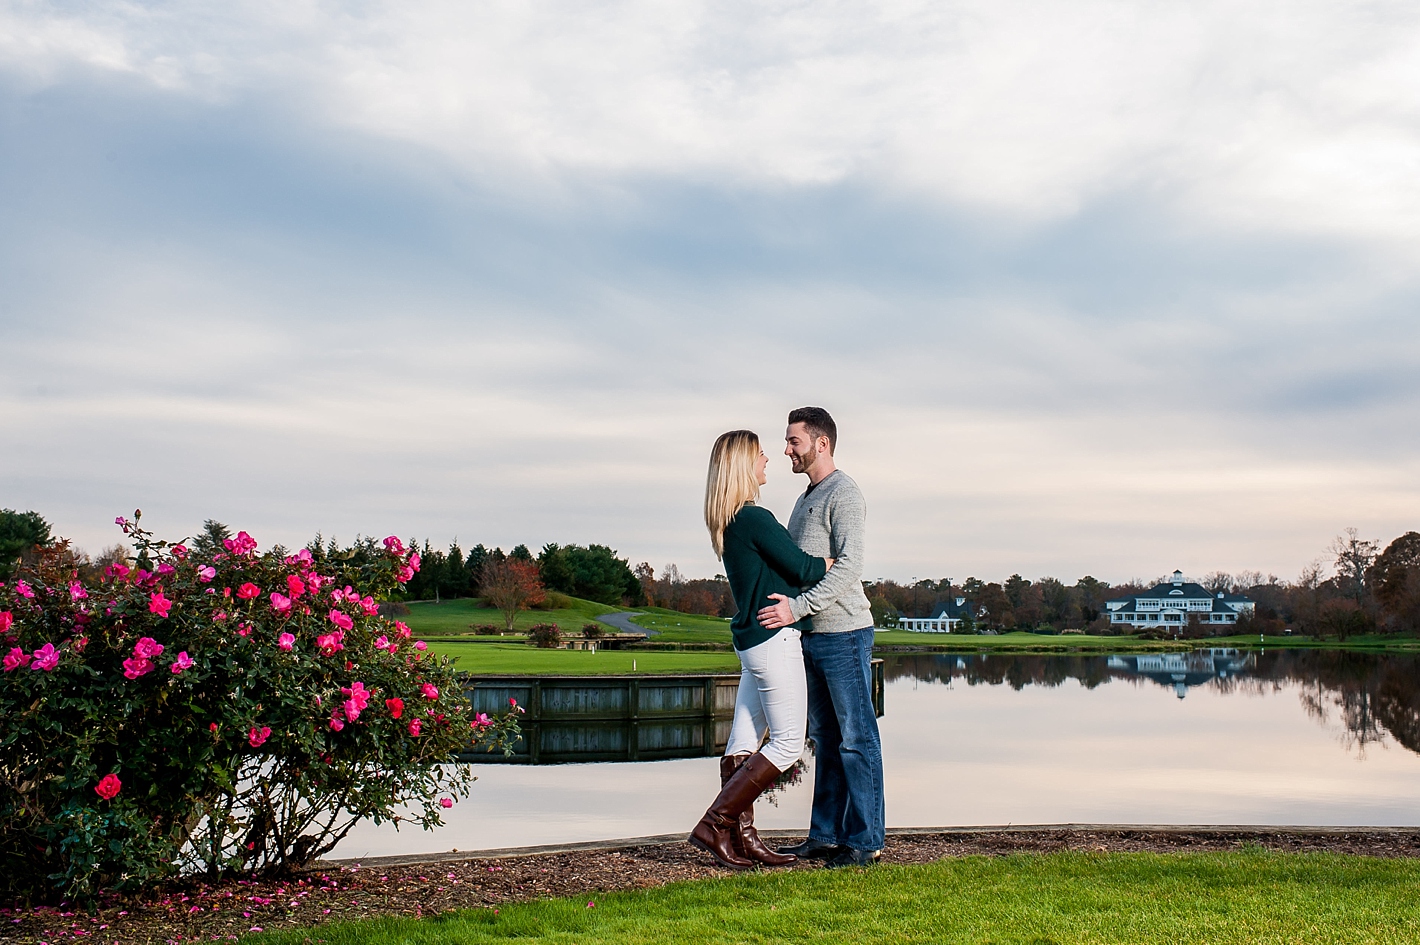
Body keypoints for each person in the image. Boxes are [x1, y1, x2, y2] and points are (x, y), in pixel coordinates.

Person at [688, 429, 835, 870]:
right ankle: (717, 822)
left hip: (754, 643)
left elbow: (783, 572)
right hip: (773, 641)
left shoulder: (732, 520)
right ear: (741, 465)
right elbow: (804, 568)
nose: (768, 457)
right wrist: (837, 562)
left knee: (744, 741)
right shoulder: (754, 518)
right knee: (788, 745)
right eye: (759, 454)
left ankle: (742, 838)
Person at [758, 406, 885, 868]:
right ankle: (825, 836)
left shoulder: (844, 493)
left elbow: (850, 567)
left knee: (857, 739)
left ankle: (865, 841)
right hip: (812, 635)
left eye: (793, 441)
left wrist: (798, 607)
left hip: (845, 633)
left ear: (821, 443)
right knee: (826, 738)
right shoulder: (807, 495)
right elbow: (801, 566)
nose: (786, 449)